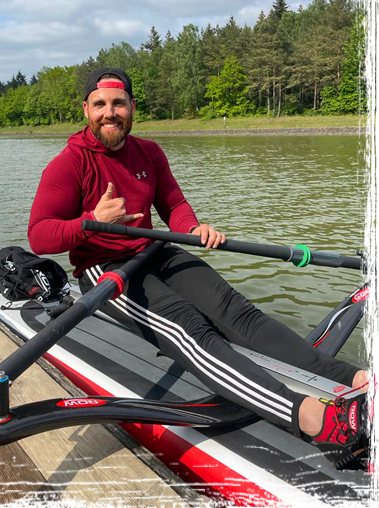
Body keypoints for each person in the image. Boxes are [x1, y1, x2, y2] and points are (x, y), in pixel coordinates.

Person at [28, 66, 379, 466]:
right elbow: (39, 235)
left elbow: (174, 204)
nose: (110, 113)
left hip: (155, 250)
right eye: (100, 105)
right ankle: (314, 419)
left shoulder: (149, 152)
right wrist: (91, 219)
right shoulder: (69, 163)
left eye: (118, 104)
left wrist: (192, 228)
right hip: (103, 267)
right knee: (188, 328)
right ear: (86, 110)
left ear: (132, 107)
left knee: (238, 312)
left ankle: (358, 380)